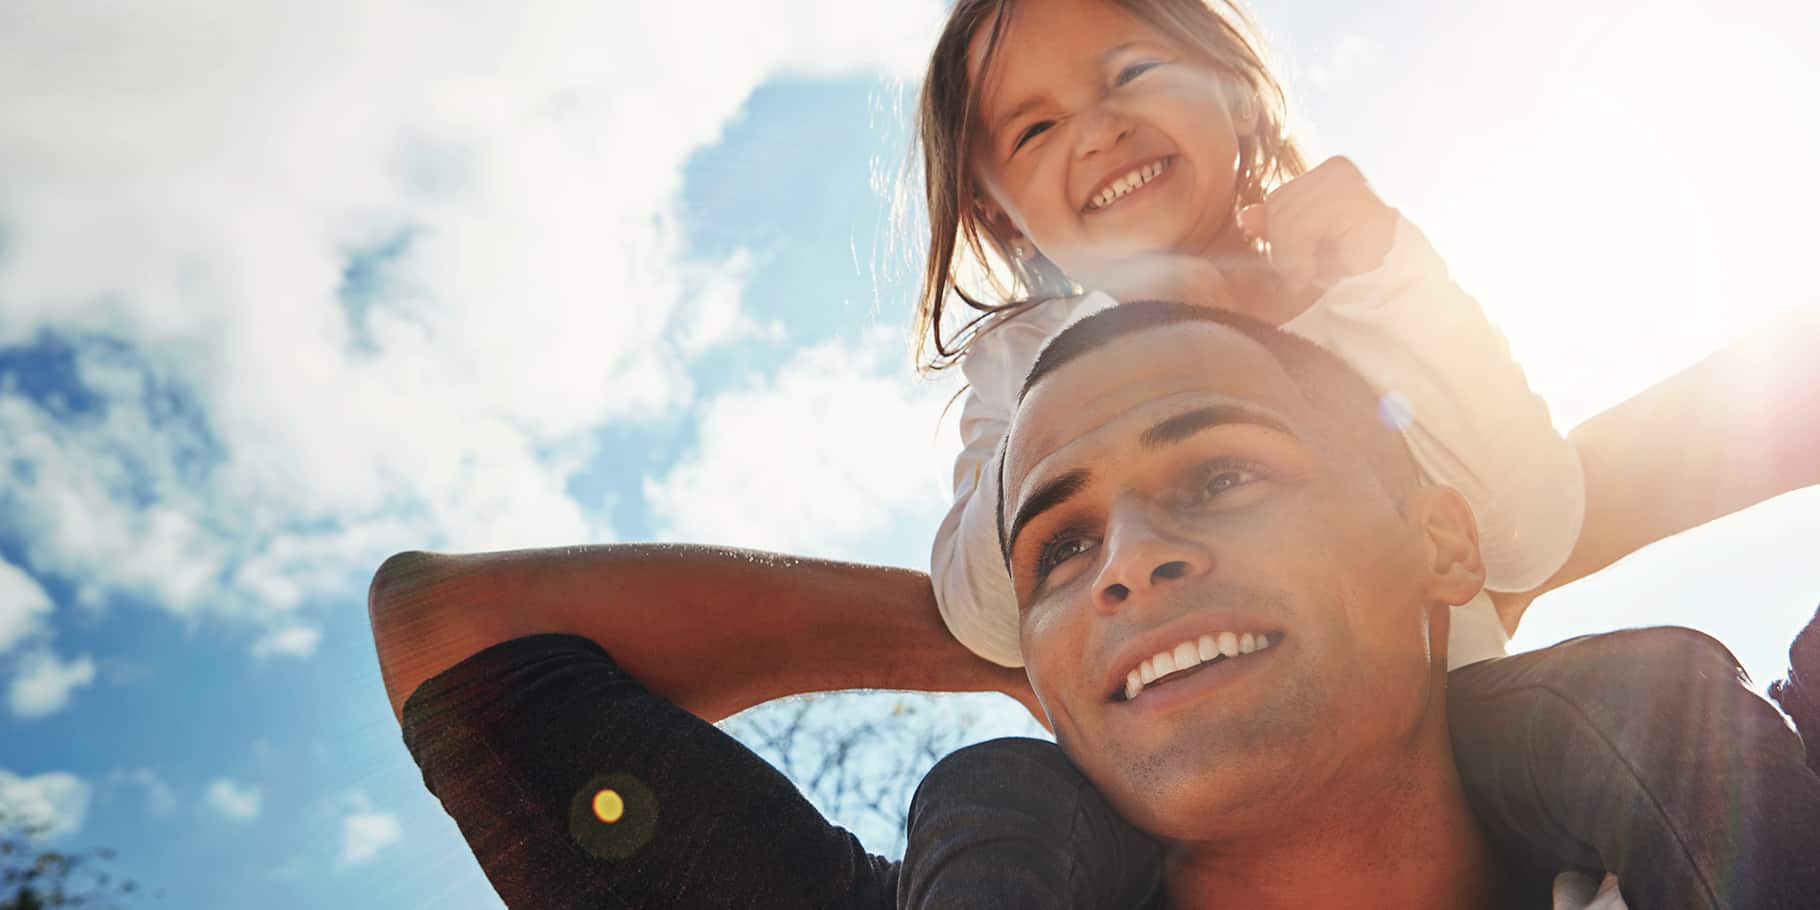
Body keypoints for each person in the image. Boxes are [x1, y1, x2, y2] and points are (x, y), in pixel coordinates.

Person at [370, 303, 1820, 909]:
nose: (1126, 556)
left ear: (1439, 534)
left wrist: (1506, 533)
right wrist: (1045, 652)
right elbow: (456, 629)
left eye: (1222, 473)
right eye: (1061, 548)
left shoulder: (1750, 792)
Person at [899, 0, 1820, 905]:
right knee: (991, 792)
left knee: (1655, 702)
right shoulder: (1019, 362)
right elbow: (982, 609)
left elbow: (1531, 528)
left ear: (1235, 90)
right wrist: (1133, 338)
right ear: (997, 211)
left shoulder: (1366, 283)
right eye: (1036, 129)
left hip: (1458, 750)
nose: (1099, 131)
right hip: (1184, 789)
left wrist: (1393, 276)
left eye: (1132, 73)